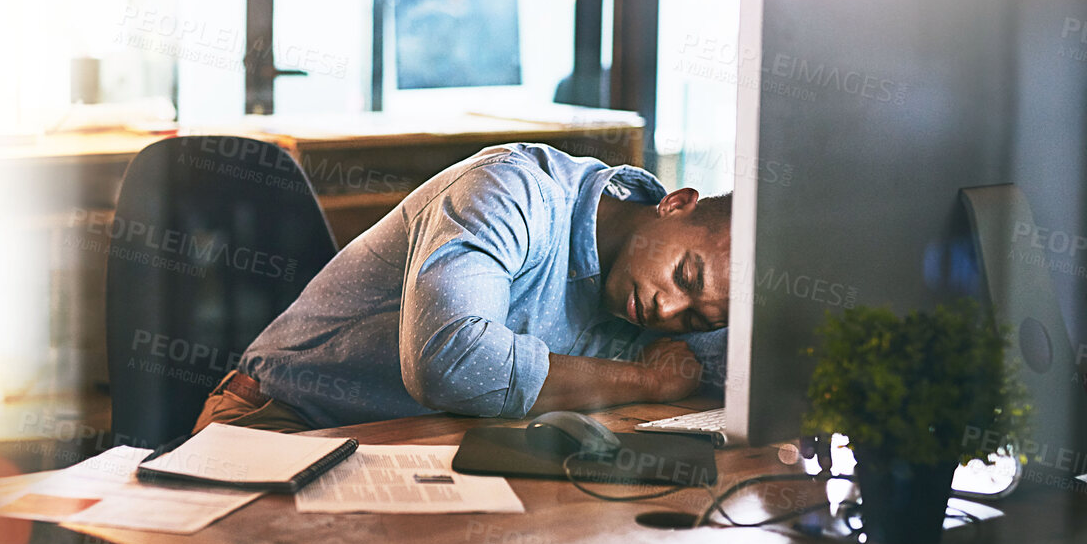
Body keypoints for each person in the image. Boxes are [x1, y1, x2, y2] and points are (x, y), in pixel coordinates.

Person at [194, 142, 729, 432]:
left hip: (421, 447)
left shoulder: (668, 296)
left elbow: (750, 366)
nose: (667, 308)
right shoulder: (513, 190)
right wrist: (646, 382)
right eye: (684, 275)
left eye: (696, 319)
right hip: (284, 422)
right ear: (675, 204)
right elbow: (451, 362)